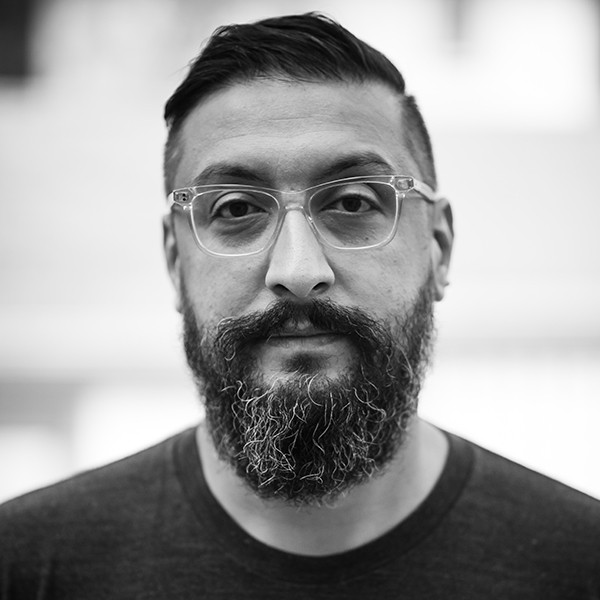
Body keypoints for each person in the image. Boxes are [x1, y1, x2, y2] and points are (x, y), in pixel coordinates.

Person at [1, 12, 599, 599]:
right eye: (236, 209)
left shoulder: (580, 564)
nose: (298, 271)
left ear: (438, 247)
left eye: (354, 202)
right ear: (176, 262)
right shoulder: (26, 566)